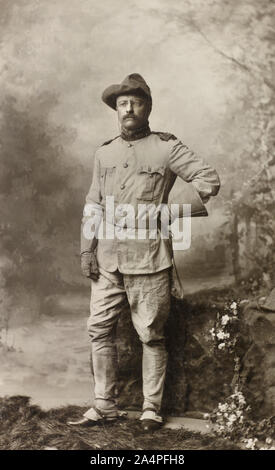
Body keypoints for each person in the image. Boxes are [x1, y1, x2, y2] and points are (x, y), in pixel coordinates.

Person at [68, 73, 220, 432]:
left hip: (150, 260)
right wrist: (86, 250)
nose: (128, 109)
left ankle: (151, 408)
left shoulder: (166, 147)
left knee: (150, 334)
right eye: (122, 104)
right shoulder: (104, 152)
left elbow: (208, 179)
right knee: (98, 330)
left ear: (147, 107)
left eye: (135, 102)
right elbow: (93, 203)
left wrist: (168, 212)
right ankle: (104, 405)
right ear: (116, 110)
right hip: (108, 259)